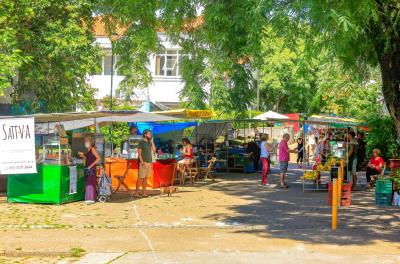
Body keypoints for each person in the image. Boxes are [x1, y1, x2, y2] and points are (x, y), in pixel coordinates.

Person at [78, 137, 101, 204]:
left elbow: (98, 158)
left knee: (90, 183)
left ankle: (91, 199)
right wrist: (83, 156)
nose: (86, 143)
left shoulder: (93, 149)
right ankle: (89, 198)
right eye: (85, 142)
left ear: (90, 143)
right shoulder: (88, 149)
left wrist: (90, 166)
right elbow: (88, 158)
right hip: (88, 168)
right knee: (88, 183)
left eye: (87, 141)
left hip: (91, 169)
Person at [136, 129, 156, 197]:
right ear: (145, 134)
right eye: (149, 134)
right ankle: (136, 193)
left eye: (151, 134)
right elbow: (139, 154)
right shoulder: (141, 142)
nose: (151, 135)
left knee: (145, 178)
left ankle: (143, 193)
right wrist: (142, 162)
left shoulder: (149, 143)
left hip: (149, 162)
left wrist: (152, 142)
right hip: (143, 163)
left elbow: (154, 150)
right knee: (140, 178)